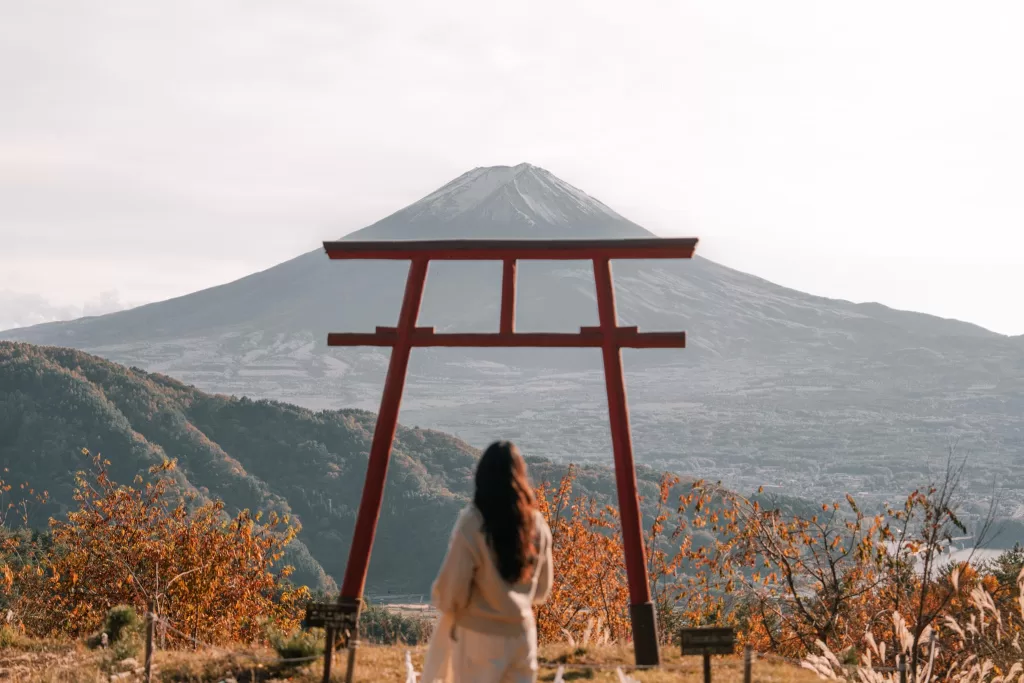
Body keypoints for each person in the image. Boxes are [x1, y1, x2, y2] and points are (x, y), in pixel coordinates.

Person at [429, 441, 554, 683]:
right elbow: (542, 590)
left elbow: (451, 589)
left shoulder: (473, 523)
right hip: (522, 633)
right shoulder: (536, 525)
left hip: (477, 633)